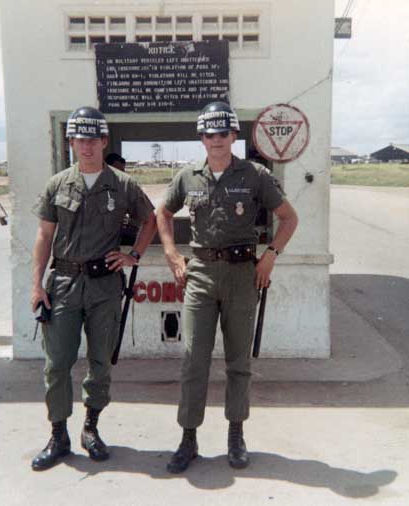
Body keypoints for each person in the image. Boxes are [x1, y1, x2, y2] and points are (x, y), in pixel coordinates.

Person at [156, 101, 298, 473]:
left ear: (234, 135)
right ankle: (189, 438)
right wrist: (171, 253)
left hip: (241, 274)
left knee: (239, 362)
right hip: (200, 273)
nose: (216, 140)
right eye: (209, 134)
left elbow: (288, 218)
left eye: (223, 133)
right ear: (201, 138)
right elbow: (163, 213)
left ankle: (236, 435)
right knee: (192, 361)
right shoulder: (187, 176)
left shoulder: (255, 175)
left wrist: (270, 255)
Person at [30, 106, 156, 471]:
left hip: (104, 286)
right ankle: (58, 435)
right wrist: (36, 285)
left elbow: (150, 219)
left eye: (92, 140)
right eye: (78, 139)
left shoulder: (123, 184)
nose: (86, 147)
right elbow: (43, 236)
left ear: (104, 141)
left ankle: (91, 429)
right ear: (71, 142)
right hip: (64, 285)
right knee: (57, 364)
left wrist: (133, 254)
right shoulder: (57, 184)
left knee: (100, 361)